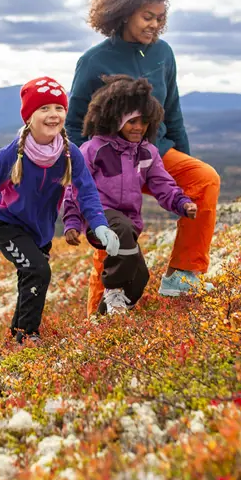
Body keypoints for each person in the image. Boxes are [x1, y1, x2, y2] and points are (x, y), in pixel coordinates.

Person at [66, 0, 221, 313]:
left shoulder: (164, 54)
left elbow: (173, 111)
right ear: (122, 13)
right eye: (147, 16)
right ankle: (98, 321)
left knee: (205, 179)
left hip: (154, 154)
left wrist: (184, 161)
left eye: (159, 18)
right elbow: (74, 125)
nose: (154, 24)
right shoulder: (93, 62)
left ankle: (183, 276)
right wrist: (82, 178)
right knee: (112, 243)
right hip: (108, 164)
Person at [0, 76, 121, 345]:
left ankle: (15, 337)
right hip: (9, 227)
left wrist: (99, 224)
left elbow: (87, 192)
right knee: (38, 271)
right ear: (29, 116)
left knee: (31, 277)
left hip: (42, 233)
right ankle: (28, 336)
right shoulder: (12, 154)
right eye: (44, 108)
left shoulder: (70, 153)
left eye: (59, 108)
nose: (53, 114)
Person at [62, 74, 197, 316]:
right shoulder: (93, 149)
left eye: (144, 122)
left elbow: (162, 184)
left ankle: (104, 321)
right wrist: (72, 221)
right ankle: (112, 290)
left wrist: (181, 202)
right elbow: (75, 187)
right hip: (99, 218)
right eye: (132, 121)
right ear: (115, 120)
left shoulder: (148, 153)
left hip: (129, 225)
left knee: (139, 278)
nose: (139, 127)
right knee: (120, 229)